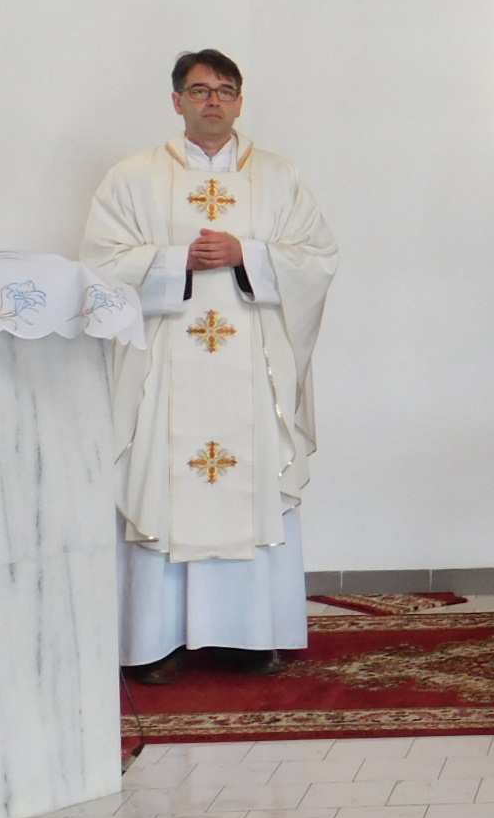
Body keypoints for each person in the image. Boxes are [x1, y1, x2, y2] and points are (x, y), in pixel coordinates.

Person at [80, 50, 338, 683]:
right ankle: (155, 641)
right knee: (160, 485)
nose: (213, 101)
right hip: (165, 364)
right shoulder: (133, 177)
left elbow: (318, 258)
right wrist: (176, 262)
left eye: (225, 90)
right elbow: (98, 265)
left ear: (241, 100)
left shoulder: (279, 176)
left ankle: (249, 636)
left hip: (252, 359)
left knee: (251, 482)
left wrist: (248, 254)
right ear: (177, 101)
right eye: (199, 91)